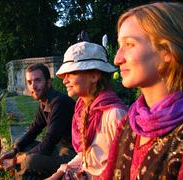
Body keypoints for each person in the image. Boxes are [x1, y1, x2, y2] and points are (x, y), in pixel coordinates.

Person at [101, 2, 183, 179]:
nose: (117, 59)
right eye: (119, 45)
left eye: (129, 44)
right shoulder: (131, 122)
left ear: (167, 51)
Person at [47, 41, 127, 179]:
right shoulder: (82, 109)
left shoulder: (114, 115)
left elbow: (125, 166)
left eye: (71, 73)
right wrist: (58, 173)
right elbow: (87, 156)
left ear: (94, 76)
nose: (64, 81)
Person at [0, 63, 76, 179]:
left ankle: (23, 174)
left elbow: (49, 142)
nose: (33, 86)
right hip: (58, 148)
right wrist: (15, 151)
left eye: (38, 80)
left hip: (71, 153)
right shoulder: (44, 102)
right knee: (20, 143)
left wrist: (18, 159)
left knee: (30, 160)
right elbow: (33, 130)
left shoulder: (59, 102)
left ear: (48, 82)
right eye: (29, 82)